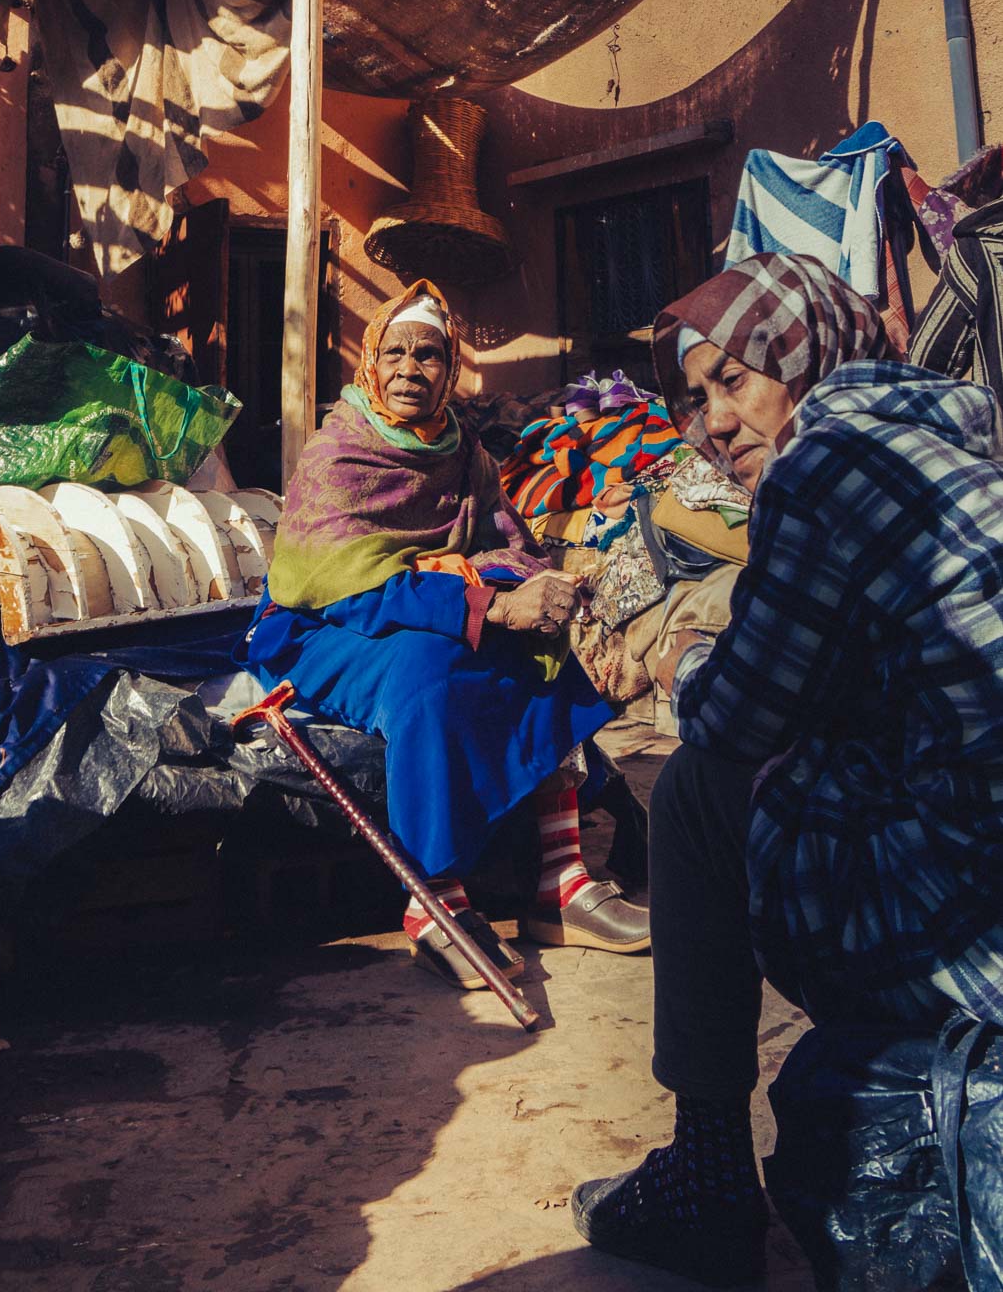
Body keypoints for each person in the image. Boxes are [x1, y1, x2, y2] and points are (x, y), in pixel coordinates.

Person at [572, 252, 1003, 1287]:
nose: (710, 421)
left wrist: (680, 656)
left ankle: (706, 1170)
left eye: (733, 379)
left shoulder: (823, 464)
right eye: (691, 397)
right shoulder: (946, 431)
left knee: (691, 792)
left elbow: (730, 720)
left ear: (804, 355)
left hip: (972, 921)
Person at [238, 279, 649, 987]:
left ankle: (561, 882)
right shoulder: (338, 455)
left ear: (449, 367)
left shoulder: (463, 452)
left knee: (542, 653)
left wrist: (528, 587)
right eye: (394, 353)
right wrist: (478, 604)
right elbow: (331, 580)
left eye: (427, 356)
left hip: (427, 603)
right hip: (325, 625)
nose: (408, 370)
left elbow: (507, 540)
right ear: (370, 361)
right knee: (426, 674)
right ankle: (435, 899)